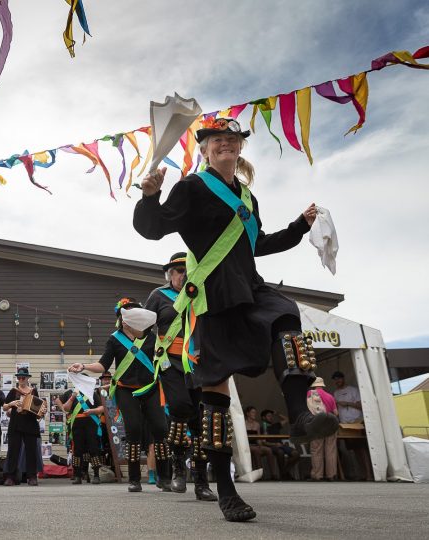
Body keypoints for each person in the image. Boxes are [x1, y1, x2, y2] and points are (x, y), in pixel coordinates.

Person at [133, 116, 336, 521]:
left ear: (240, 148)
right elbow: (153, 228)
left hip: (249, 285)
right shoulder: (191, 186)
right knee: (215, 398)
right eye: (216, 140)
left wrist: (300, 226)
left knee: (285, 313)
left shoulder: (246, 196)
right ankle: (225, 491)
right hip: (214, 295)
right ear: (205, 150)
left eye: (232, 139)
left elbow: (257, 243)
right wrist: (150, 196)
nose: (225, 144)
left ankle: (299, 413)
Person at [68, 299, 170, 493]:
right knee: (133, 429)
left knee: (160, 428)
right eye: (125, 313)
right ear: (121, 319)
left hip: (151, 387)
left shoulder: (151, 337)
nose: (128, 316)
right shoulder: (115, 339)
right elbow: (102, 366)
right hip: (125, 389)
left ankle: (165, 478)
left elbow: (162, 361)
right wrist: (84, 366)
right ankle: (134, 479)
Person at [145, 252, 217, 500]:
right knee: (180, 406)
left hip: (197, 361)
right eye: (177, 270)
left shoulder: (199, 293)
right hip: (170, 361)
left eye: (186, 269)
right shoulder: (158, 296)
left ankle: (200, 482)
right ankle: (177, 466)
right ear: (169, 274)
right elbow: (144, 328)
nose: (182, 274)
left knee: (200, 421)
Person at [2, 367, 46, 486]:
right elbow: (4, 407)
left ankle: (31, 476)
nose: (21, 379)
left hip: (30, 424)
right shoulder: (13, 391)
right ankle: (10, 476)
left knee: (31, 451)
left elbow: (38, 408)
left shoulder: (33, 391)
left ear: (27, 378)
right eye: (19, 377)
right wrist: (12, 403)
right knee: (13, 451)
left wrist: (42, 410)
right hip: (16, 424)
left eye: (23, 377)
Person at [61, 385, 105, 484]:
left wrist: (93, 411)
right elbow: (66, 408)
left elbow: (102, 407)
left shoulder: (92, 393)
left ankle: (96, 475)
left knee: (93, 448)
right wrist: (73, 397)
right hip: (77, 424)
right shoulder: (72, 393)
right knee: (77, 450)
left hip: (91, 423)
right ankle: (77, 475)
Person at [308, 378, 339, 481]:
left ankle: (318, 475)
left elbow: (309, 409)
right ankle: (331, 475)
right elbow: (336, 413)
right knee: (330, 450)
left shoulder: (310, 393)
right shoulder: (330, 396)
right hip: (330, 424)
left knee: (316, 450)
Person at [260, 409, 300, 479]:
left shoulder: (276, 425)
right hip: (271, 446)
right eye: (268, 416)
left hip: (281, 445)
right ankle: (284, 474)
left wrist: (277, 414)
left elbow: (287, 419)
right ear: (263, 418)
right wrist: (274, 444)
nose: (271, 417)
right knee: (280, 452)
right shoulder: (262, 427)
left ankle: (284, 472)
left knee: (296, 454)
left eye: (271, 416)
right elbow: (264, 442)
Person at [244, 406, 280, 480]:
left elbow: (258, 437)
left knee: (268, 450)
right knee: (257, 451)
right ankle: (260, 474)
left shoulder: (257, 424)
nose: (255, 414)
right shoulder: (244, 423)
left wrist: (260, 444)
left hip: (256, 444)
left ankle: (273, 474)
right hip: (247, 445)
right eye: (253, 412)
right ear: (248, 414)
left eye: (255, 413)